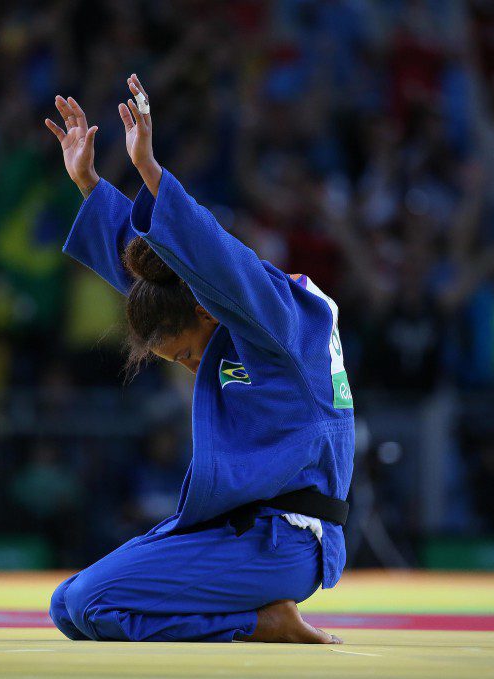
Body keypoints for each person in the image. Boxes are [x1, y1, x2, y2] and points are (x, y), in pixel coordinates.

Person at [43, 75, 354, 644]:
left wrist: (151, 174)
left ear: (209, 311)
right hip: (240, 532)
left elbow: (215, 261)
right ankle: (259, 616)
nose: (189, 368)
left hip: (286, 539)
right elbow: (160, 277)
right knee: (67, 604)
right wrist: (89, 181)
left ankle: (263, 621)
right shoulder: (231, 320)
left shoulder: (278, 320)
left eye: (185, 353)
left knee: (93, 603)